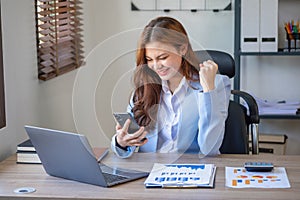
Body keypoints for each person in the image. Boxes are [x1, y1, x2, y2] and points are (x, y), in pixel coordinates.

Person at [111, 16, 231, 158]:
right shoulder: (146, 87)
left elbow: (209, 149)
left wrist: (208, 91)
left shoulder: (217, 84)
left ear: (183, 49)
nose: (156, 66)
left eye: (162, 57)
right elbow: (128, 138)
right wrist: (121, 142)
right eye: (149, 60)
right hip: (148, 169)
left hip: (191, 170)